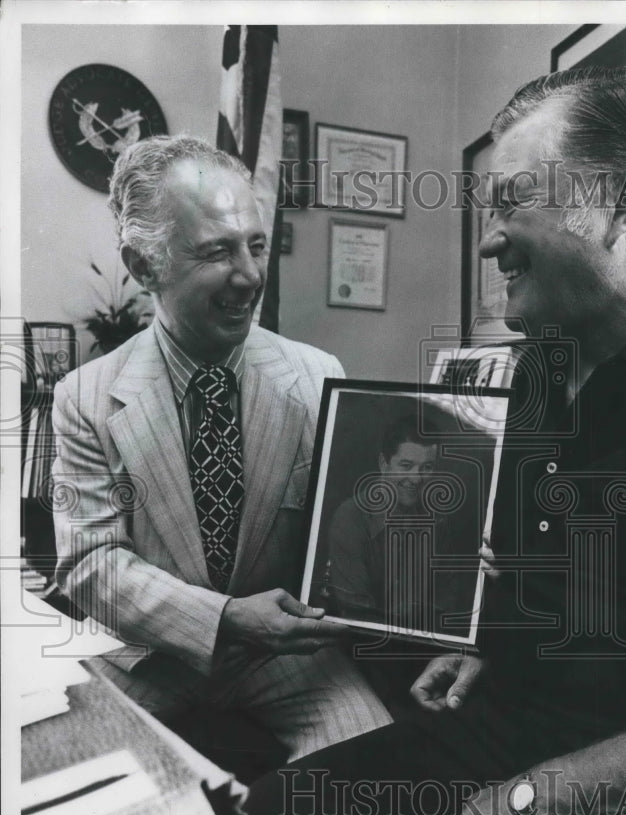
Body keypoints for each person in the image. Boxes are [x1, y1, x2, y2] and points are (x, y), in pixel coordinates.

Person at [241, 66, 626, 815]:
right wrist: (485, 642)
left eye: (514, 204)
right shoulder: (541, 369)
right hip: (517, 724)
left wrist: (541, 795)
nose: (491, 246)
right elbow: (540, 568)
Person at [51, 135, 391, 763]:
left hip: (286, 658)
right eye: (217, 251)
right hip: (151, 656)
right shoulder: (86, 397)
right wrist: (226, 616)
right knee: (68, 786)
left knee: (366, 772)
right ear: (144, 265)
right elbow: (89, 566)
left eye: (256, 245)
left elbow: (355, 529)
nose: (251, 275)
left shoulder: (316, 377)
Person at [327, 414, 469, 635]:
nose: (416, 479)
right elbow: (355, 615)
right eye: (406, 465)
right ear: (384, 464)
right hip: (360, 647)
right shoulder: (349, 518)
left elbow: (448, 600)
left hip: (421, 647)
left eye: (427, 467)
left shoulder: (437, 520)